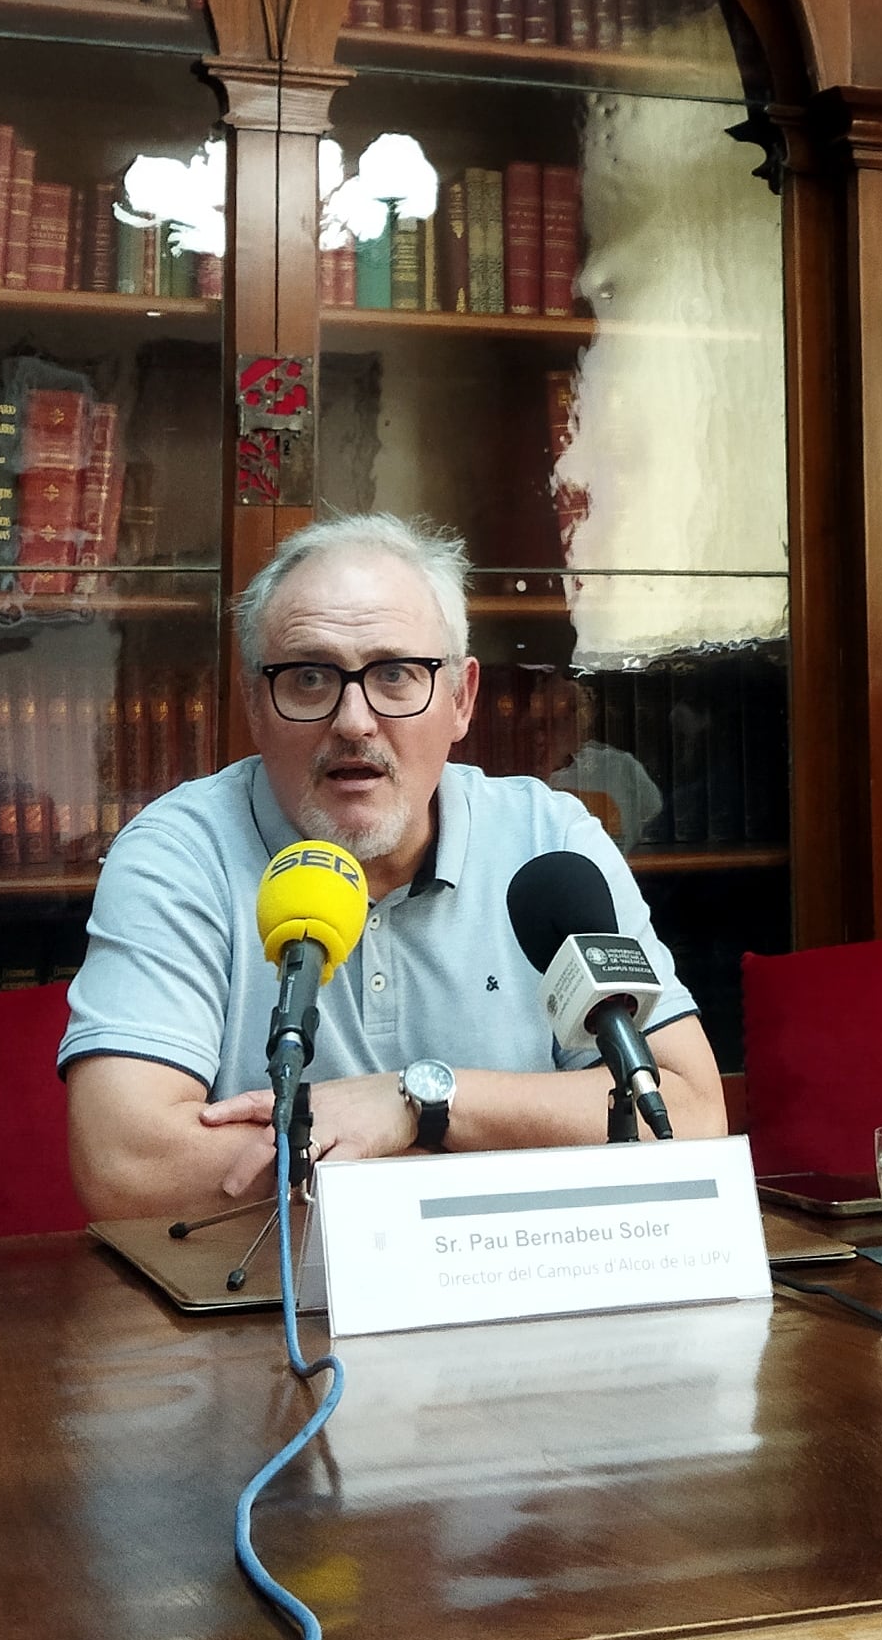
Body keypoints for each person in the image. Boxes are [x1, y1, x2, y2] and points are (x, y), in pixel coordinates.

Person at [61, 512, 724, 1217]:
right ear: (255, 702)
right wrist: (482, 1152)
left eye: (396, 673)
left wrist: (418, 1100)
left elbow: (682, 1113)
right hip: (263, 1308)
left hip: (523, 1287)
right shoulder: (178, 852)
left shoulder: (547, 840)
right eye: (310, 677)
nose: (353, 720)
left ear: (461, 698)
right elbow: (126, 1164)